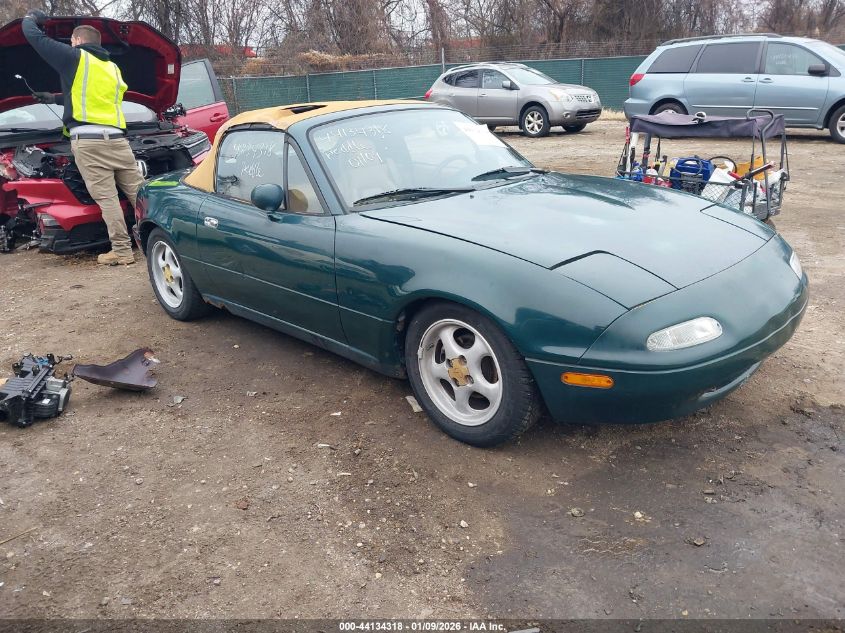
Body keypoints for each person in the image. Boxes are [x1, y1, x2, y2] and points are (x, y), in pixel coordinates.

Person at [22, 9, 143, 265]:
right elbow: (92, 98)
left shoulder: (75, 57)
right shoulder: (112, 68)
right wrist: (54, 99)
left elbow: (36, 39)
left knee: (108, 198)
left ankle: (121, 251)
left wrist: (31, 18)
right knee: (139, 194)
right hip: (118, 141)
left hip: (89, 143)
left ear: (77, 41)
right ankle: (156, 240)